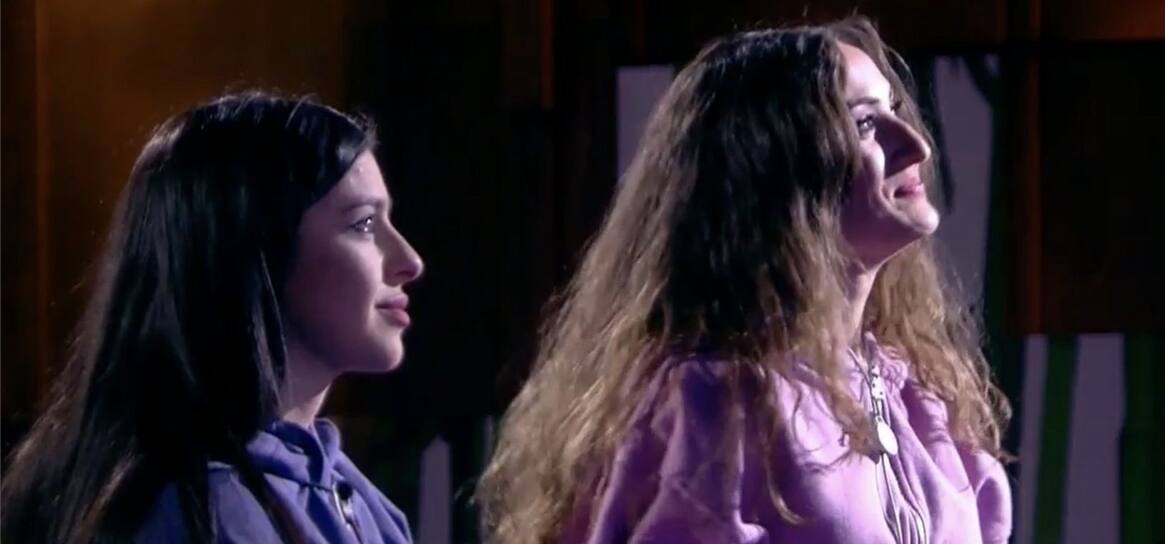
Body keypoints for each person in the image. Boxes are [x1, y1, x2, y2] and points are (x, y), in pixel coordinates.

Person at [479, 17, 1012, 544]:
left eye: (894, 110)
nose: (917, 145)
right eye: (865, 124)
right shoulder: (716, 402)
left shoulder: (918, 400)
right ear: (777, 171)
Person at [1, 92, 423, 543]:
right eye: (363, 224)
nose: (410, 261)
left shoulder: (358, 499)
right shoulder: (197, 511)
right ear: (256, 249)